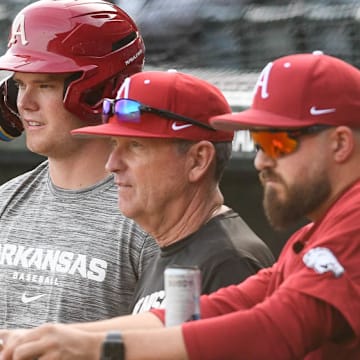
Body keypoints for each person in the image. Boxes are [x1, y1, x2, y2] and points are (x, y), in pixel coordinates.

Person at [2, 52, 359, 359]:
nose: (261, 162)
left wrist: (97, 348)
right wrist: (64, 338)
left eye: (277, 142)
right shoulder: (318, 233)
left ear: (340, 144)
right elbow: (220, 308)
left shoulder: (353, 222)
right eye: (259, 142)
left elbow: (274, 328)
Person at [0, 0, 158, 328]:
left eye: (44, 85)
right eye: (20, 84)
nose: (25, 103)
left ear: (100, 90)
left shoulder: (154, 216)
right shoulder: (5, 203)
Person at [71, 69, 274, 314]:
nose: (112, 164)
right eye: (114, 144)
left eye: (135, 146)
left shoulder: (230, 262)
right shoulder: (170, 249)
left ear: (198, 161)